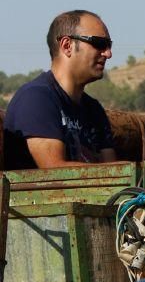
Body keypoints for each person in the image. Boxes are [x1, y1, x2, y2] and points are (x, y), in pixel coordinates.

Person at [2, 10, 117, 169]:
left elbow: (115, 173)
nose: (108, 53)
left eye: (109, 45)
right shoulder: (36, 99)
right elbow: (54, 171)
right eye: (99, 44)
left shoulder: (94, 109)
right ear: (67, 45)